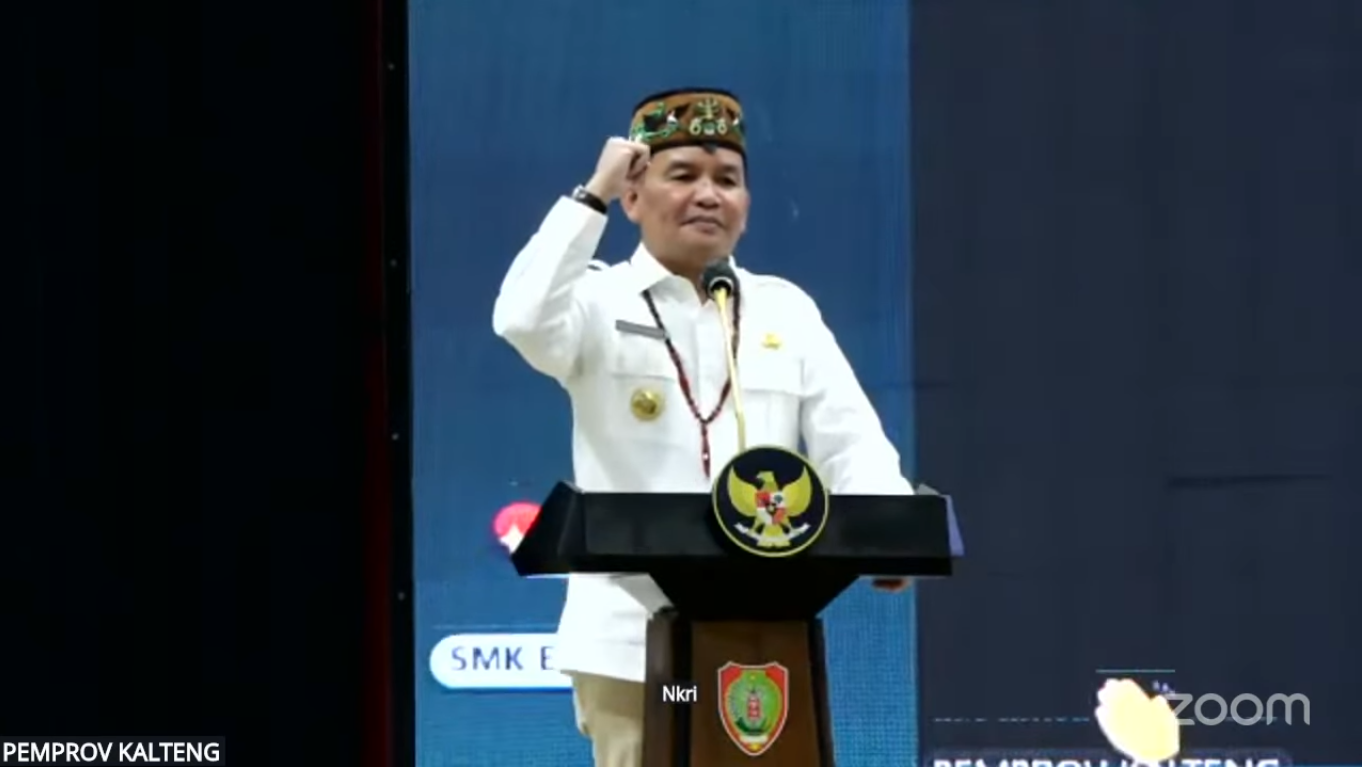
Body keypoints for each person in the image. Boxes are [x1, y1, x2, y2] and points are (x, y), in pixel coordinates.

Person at [491, 88, 915, 767]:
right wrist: (591, 196)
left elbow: (851, 440)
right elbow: (520, 319)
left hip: (762, 640)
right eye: (683, 175)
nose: (709, 196)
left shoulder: (784, 310)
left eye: (728, 180)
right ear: (634, 196)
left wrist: (890, 533)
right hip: (635, 653)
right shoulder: (595, 301)